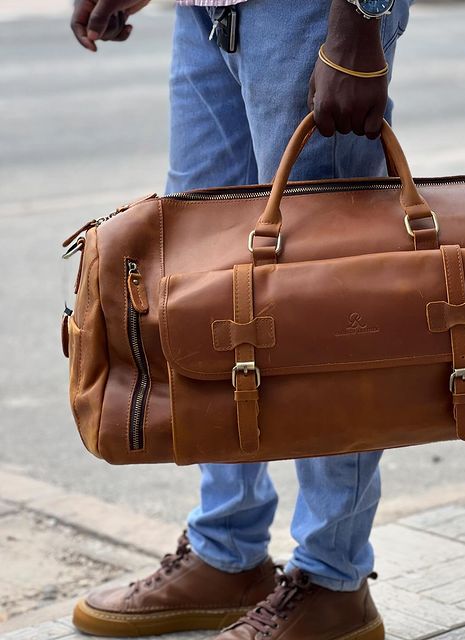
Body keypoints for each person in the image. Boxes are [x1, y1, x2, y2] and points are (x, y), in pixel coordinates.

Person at [69, 0, 411, 638]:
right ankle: (228, 551)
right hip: (207, 10)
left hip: (307, 13)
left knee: (331, 296)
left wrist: (362, 18)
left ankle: (334, 579)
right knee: (202, 278)